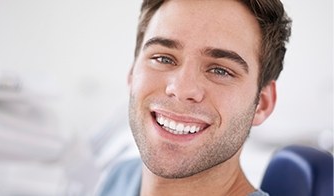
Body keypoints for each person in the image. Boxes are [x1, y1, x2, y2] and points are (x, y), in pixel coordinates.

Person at [97, 0, 291, 195]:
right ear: (132, 72)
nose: (181, 89)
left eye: (220, 71)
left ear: (262, 104)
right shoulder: (120, 177)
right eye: (163, 59)